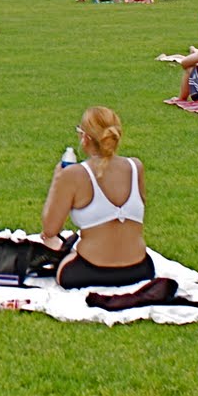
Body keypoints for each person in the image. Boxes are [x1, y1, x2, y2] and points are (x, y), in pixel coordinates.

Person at [39, 106, 153, 290]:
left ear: (85, 138)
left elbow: (50, 229)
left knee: (51, 242)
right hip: (140, 269)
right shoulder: (135, 167)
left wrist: (57, 179)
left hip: (87, 272)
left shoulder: (74, 174)